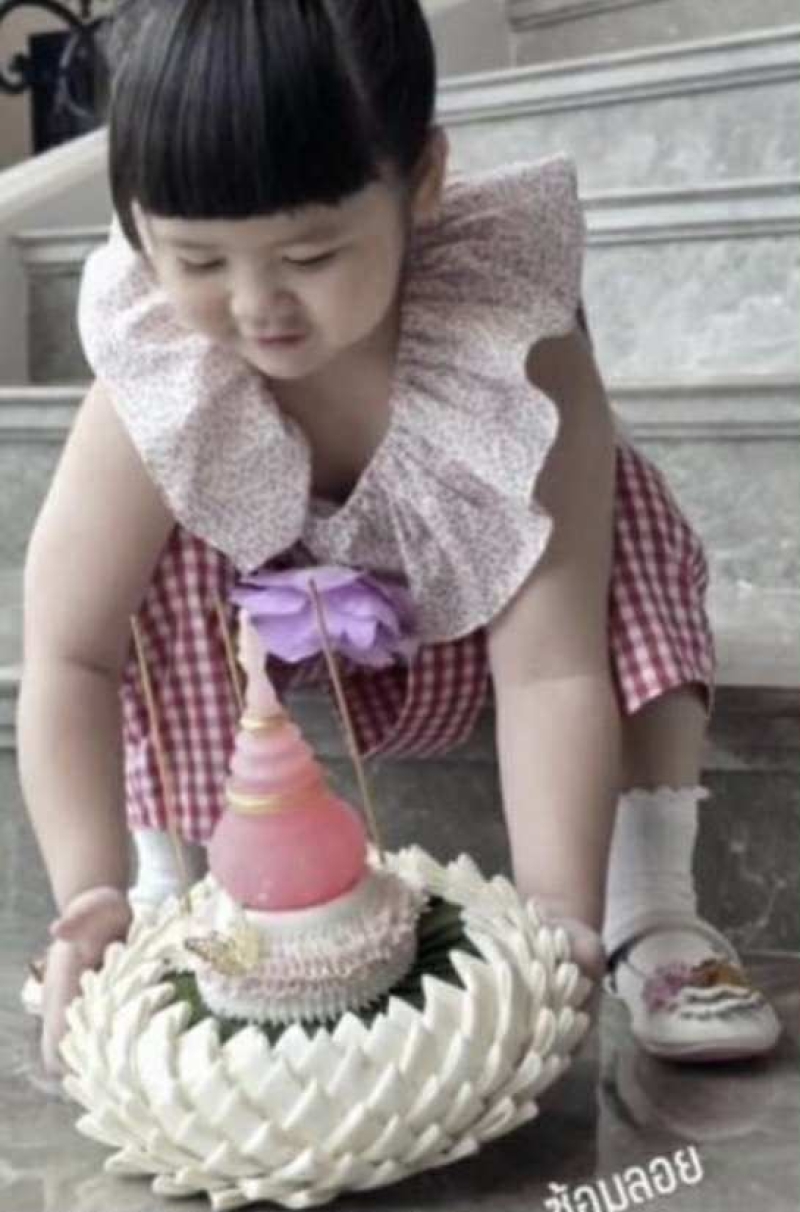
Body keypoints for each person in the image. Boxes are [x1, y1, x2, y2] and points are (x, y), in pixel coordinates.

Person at [18, 0, 779, 1075]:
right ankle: (156, 887)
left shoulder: (503, 337)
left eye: (311, 252)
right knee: (154, 545)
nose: (256, 305)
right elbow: (71, 653)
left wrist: (555, 922)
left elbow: (553, 670)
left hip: (481, 626)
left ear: (421, 182)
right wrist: (86, 886)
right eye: (197, 260)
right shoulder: (166, 364)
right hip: (273, 659)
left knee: (625, 516)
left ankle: (649, 906)